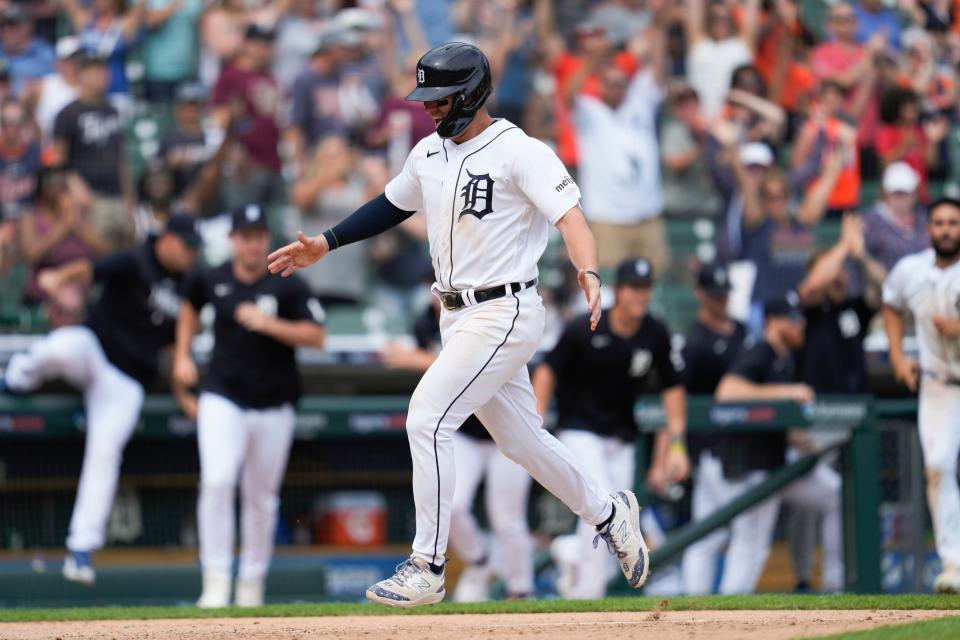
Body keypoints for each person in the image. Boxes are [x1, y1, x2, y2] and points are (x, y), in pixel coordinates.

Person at [267, 42, 651, 608]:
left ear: (471, 92)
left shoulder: (520, 150)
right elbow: (391, 204)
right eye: (427, 99)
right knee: (523, 442)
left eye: (441, 99)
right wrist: (326, 241)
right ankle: (609, 512)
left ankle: (428, 564)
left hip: (505, 308)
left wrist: (589, 270)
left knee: (426, 418)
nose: (431, 109)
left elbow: (571, 217)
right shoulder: (428, 153)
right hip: (456, 315)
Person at [0, 214, 200, 585]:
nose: (191, 254)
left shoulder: (188, 283)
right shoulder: (136, 259)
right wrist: (59, 279)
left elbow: (176, 348)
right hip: (95, 350)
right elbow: (89, 268)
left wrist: (183, 394)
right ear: (168, 240)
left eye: (194, 248)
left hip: (126, 382)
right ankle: (11, 380)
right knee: (58, 349)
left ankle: (80, 550)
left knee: (105, 452)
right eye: (187, 246)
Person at [173, 203, 325, 608]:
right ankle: (216, 581)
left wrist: (268, 323)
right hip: (223, 395)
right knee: (218, 482)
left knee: (261, 497)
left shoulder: (288, 280)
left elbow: (317, 335)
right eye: (246, 236)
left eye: (259, 235)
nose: (253, 243)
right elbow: (189, 309)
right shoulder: (211, 276)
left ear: (265, 239)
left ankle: (251, 585)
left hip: (274, 402)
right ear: (233, 240)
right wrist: (182, 356)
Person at [532, 257, 689, 599]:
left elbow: (673, 389)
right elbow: (548, 368)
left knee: (614, 520)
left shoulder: (655, 332)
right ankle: (589, 594)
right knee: (603, 503)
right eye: (634, 288)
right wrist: (537, 414)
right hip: (580, 430)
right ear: (618, 290)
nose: (640, 296)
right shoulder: (586, 324)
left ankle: (572, 552)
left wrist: (677, 446)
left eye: (645, 289)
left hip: (622, 437)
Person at [381, 294, 535, 602]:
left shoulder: (496, 306)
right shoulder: (427, 321)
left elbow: (471, 361)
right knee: (455, 505)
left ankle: (521, 590)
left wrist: (416, 359)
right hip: (465, 430)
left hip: (505, 431)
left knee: (507, 518)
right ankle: (480, 562)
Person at [713, 293, 842, 594]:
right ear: (773, 322)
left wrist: (805, 441)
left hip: (778, 464)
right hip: (751, 466)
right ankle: (725, 615)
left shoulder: (785, 359)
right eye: (794, 319)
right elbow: (727, 391)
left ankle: (837, 582)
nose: (801, 325)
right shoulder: (760, 351)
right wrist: (787, 392)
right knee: (750, 545)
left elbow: (771, 418)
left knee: (833, 492)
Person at [883, 197, 960, 594]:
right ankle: (953, 563)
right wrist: (898, 355)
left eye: (954, 222)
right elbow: (891, 302)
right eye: (940, 222)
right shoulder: (911, 269)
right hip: (938, 385)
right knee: (938, 466)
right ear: (929, 229)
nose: (947, 229)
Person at [563, 7, 670, 273]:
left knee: (658, 282)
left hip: (648, 216)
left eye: (621, 82)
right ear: (600, 84)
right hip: (607, 218)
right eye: (611, 83)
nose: (617, 87)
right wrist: (592, 60)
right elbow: (568, 95)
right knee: (608, 285)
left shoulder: (639, 101)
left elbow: (658, 66)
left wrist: (659, 21)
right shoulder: (590, 111)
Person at [679, 263, 750, 594]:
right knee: (732, 525)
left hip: (744, 445)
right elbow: (681, 396)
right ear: (701, 295)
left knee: (709, 531)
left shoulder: (741, 331)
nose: (721, 300)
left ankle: (701, 603)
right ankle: (717, 603)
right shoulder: (695, 341)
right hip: (711, 446)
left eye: (725, 294)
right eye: (715, 295)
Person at [53, 52, 132, 251]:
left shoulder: (112, 110)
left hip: (117, 197)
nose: (102, 76)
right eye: (95, 71)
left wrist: (130, 201)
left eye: (104, 70)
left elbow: (121, 159)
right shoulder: (68, 113)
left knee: (121, 257)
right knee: (96, 256)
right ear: (82, 75)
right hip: (89, 199)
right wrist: (73, 184)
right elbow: (57, 159)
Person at [865, 162, 930, 270]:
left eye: (905, 193)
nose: (901, 199)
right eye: (897, 194)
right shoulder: (872, 222)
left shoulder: (922, 217)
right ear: (886, 194)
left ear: (914, 194)